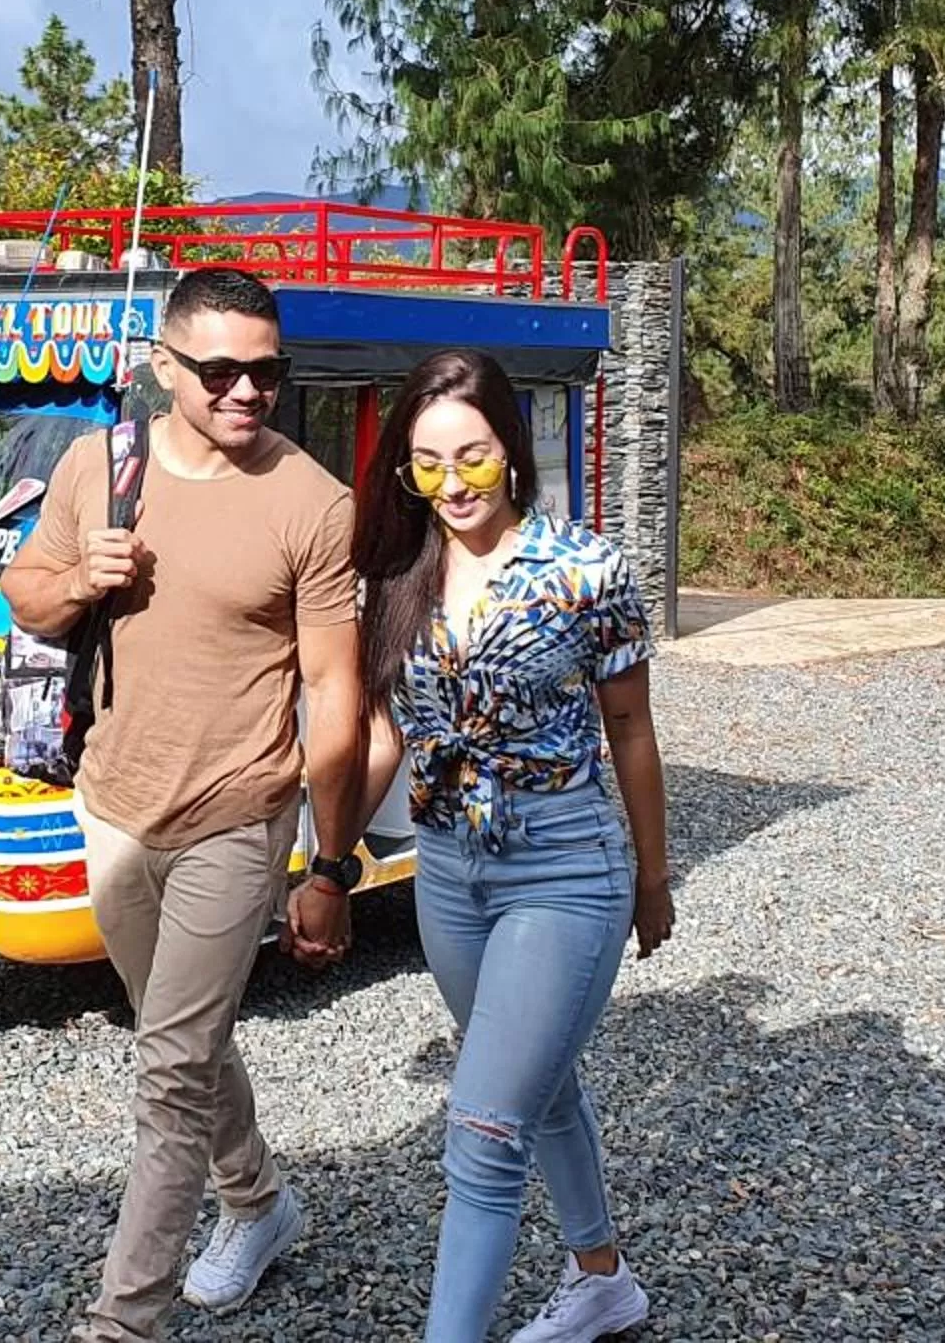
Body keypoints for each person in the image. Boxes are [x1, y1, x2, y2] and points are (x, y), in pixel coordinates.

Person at [1, 265, 366, 1343]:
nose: (249, 391)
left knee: (167, 1069)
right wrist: (84, 580)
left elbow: (336, 689)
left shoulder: (314, 500)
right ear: (165, 369)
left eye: (267, 370)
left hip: (236, 813)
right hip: (110, 806)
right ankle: (257, 1200)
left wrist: (328, 865)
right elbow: (26, 589)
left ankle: (125, 1318)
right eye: (221, 371)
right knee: (184, 1034)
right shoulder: (96, 466)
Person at [288, 346, 675, 1343]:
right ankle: (603, 1279)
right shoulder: (398, 576)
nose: (452, 482)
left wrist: (653, 875)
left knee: (484, 1126)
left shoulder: (588, 570)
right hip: (448, 877)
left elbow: (629, 726)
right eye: (427, 462)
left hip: (566, 870)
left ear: (512, 448)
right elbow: (384, 729)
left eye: (472, 456)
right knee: (534, 1082)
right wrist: (330, 866)